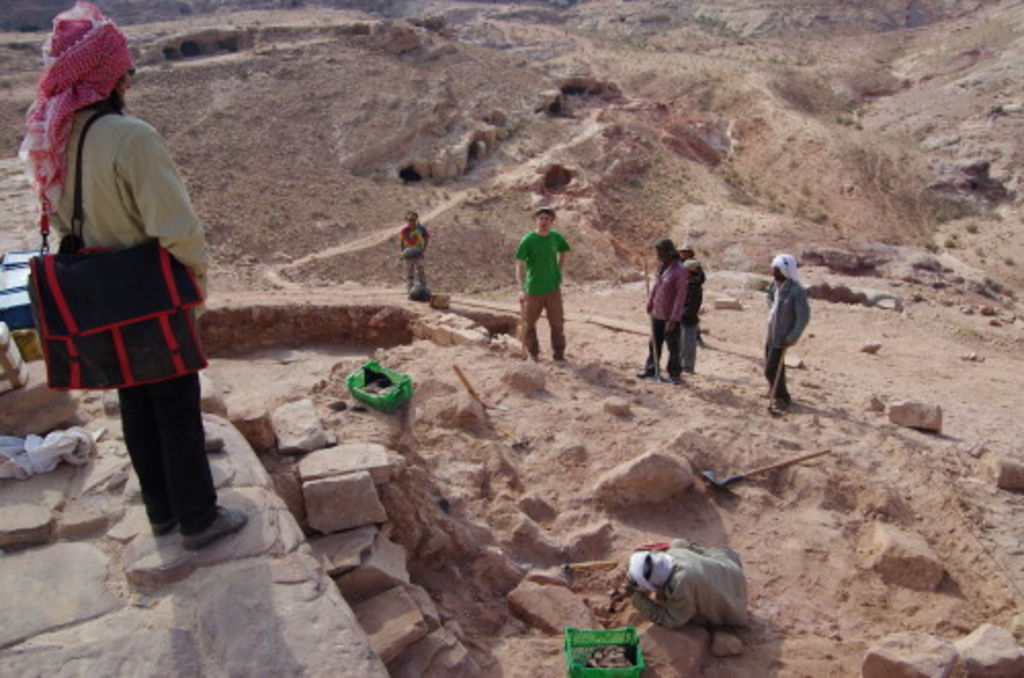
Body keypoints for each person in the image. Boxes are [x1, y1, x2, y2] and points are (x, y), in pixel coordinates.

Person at [20, 2, 246, 550]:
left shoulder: (56, 133)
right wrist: (196, 279)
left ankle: (162, 512)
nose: (129, 79)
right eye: (126, 69)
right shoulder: (130, 137)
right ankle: (198, 518)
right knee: (174, 403)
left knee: (136, 402)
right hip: (146, 289)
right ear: (111, 75)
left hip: (94, 294)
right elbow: (175, 226)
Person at [625, 539, 749, 629]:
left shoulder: (681, 584)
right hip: (731, 571)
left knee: (685, 611)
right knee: (678, 544)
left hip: (735, 600)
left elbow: (670, 619)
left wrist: (637, 598)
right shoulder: (673, 554)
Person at [515, 207, 570, 361]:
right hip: (533, 290)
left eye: (547, 219)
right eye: (541, 218)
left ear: (552, 222)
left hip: (553, 289)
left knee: (557, 325)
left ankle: (559, 354)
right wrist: (520, 288)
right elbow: (519, 265)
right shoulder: (528, 240)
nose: (543, 221)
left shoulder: (555, 237)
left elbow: (564, 251)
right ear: (536, 220)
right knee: (529, 324)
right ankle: (533, 354)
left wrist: (560, 272)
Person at [636, 238, 687, 384]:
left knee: (673, 346)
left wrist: (674, 318)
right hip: (657, 312)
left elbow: (680, 296)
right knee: (654, 343)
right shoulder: (661, 266)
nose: (657, 255)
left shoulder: (680, 271)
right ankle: (651, 369)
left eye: (660, 252)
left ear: (668, 252)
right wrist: (650, 302)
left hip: (670, 315)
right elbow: (656, 286)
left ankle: (675, 374)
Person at [765, 253, 811, 410]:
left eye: (777, 270)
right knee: (775, 367)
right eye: (774, 270)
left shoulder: (796, 291)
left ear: (785, 271)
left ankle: (782, 397)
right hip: (771, 333)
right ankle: (775, 390)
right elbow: (770, 299)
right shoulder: (774, 285)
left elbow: (803, 317)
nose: (774, 273)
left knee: (770, 370)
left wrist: (792, 337)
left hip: (782, 336)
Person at [679, 243, 706, 348]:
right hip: (682, 291)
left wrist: (692, 283)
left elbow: (702, 279)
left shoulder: (695, 265)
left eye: (685, 252)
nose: (683, 254)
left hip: (692, 291)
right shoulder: (680, 263)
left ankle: (697, 337)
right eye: (682, 252)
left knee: (691, 314)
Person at [680, 258, 705, 374]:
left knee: (688, 345)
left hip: (688, 320)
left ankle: (688, 367)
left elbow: (691, 306)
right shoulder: (690, 284)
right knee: (682, 344)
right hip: (685, 318)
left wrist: (681, 314)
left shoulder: (694, 287)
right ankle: (684, 365)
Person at [399, 210, 429, 291]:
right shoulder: (405, 230)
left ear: (416, 220)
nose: (411, 222)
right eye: (409, 220)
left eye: (413, 220)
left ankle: (424, 287)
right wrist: (402, 253)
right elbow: (402, 242)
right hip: (408, 253)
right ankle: (410, 289)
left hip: (418, 253)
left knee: (421, 269)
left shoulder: (421, 228)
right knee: (409, 271)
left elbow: (426, 238)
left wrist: (423, 249)